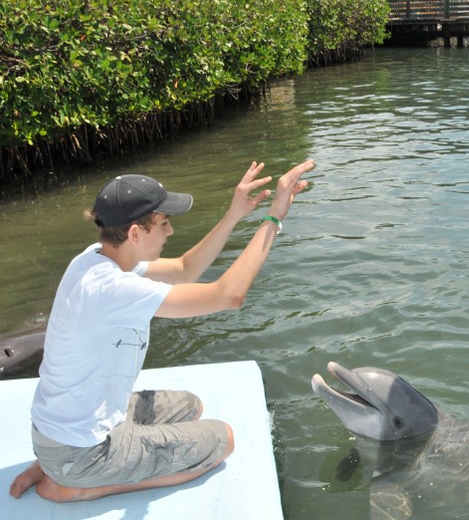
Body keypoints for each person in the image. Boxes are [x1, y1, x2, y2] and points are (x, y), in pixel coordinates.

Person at [9, 159, 315, 502]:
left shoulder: (96, 257)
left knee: (190, 407)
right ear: (136, 233)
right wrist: (274, 218)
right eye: (164, 223)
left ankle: (57, 465)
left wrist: (234, 214)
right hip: (83, 448)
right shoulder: (113, 290)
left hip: (60, 433)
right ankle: (78, 484)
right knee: (222, 440)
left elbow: (186, 269)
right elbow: (228, 296)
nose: (171, 231)